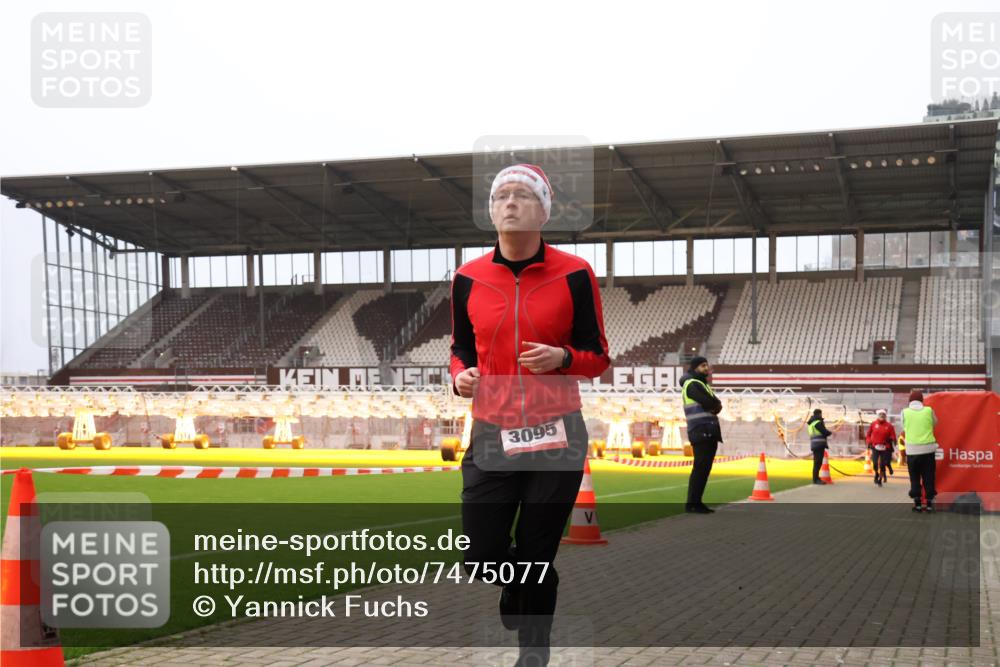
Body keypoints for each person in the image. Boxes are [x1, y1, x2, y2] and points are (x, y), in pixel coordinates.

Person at [450, 163, 610, 666]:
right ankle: (513, 588)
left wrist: (562, 358)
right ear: (492, 211)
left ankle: (533, 654)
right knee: (480, 554)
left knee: (536, 556)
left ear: (543, 210)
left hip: (557, 433)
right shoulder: (467, 277)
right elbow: (460, 349)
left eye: (523, 195)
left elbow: (598, 357)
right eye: (502, 195)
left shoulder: (576, 273)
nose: (510, 202)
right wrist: (460, 377)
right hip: (492, 431)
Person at [679, 356, 723, 513]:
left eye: (707, 365)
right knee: (700, 468)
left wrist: (715, 405)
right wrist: (714, 405)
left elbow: (717, 404)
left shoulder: (702, 384)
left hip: (707, 430)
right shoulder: (692, 384)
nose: (706, 368)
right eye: (703, 365)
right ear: (695, 367)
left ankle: (696, 502)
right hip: (701, 430)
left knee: (703, 469)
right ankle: (693, 504)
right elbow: (711, 403)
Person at [900, 389, 939, 512]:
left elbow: (903, 426)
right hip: (928, 450)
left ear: (910, 401)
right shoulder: (929, 410)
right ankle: (929, 505)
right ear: (922, 400)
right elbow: (935, 423)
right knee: (929, 477)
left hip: (912, 450)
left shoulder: (904, 412)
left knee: (914, 477)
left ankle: (917, 504)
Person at [865, 408, 897, 487]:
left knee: (883, 464)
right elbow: (868, 435)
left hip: (885, 447)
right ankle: (876, 473)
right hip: (875, 446)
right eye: (880, 414)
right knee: (875, 463)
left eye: (883, 415)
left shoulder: (889, 426)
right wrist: (869, 441)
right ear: (878, 416)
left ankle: (880, 479)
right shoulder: (873, 424)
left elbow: (893, 435)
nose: (882, 416)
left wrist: (891, 439)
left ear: (885, 416)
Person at [807, 409, 832, 484]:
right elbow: (825, 432)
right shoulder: (817, 423)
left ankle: (816, 478)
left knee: (816, 462)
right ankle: (816, 479)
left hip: (815, 444)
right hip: (819, 445)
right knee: (818, 462)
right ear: (819, 414)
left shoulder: (811, 424)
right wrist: (830, 432)